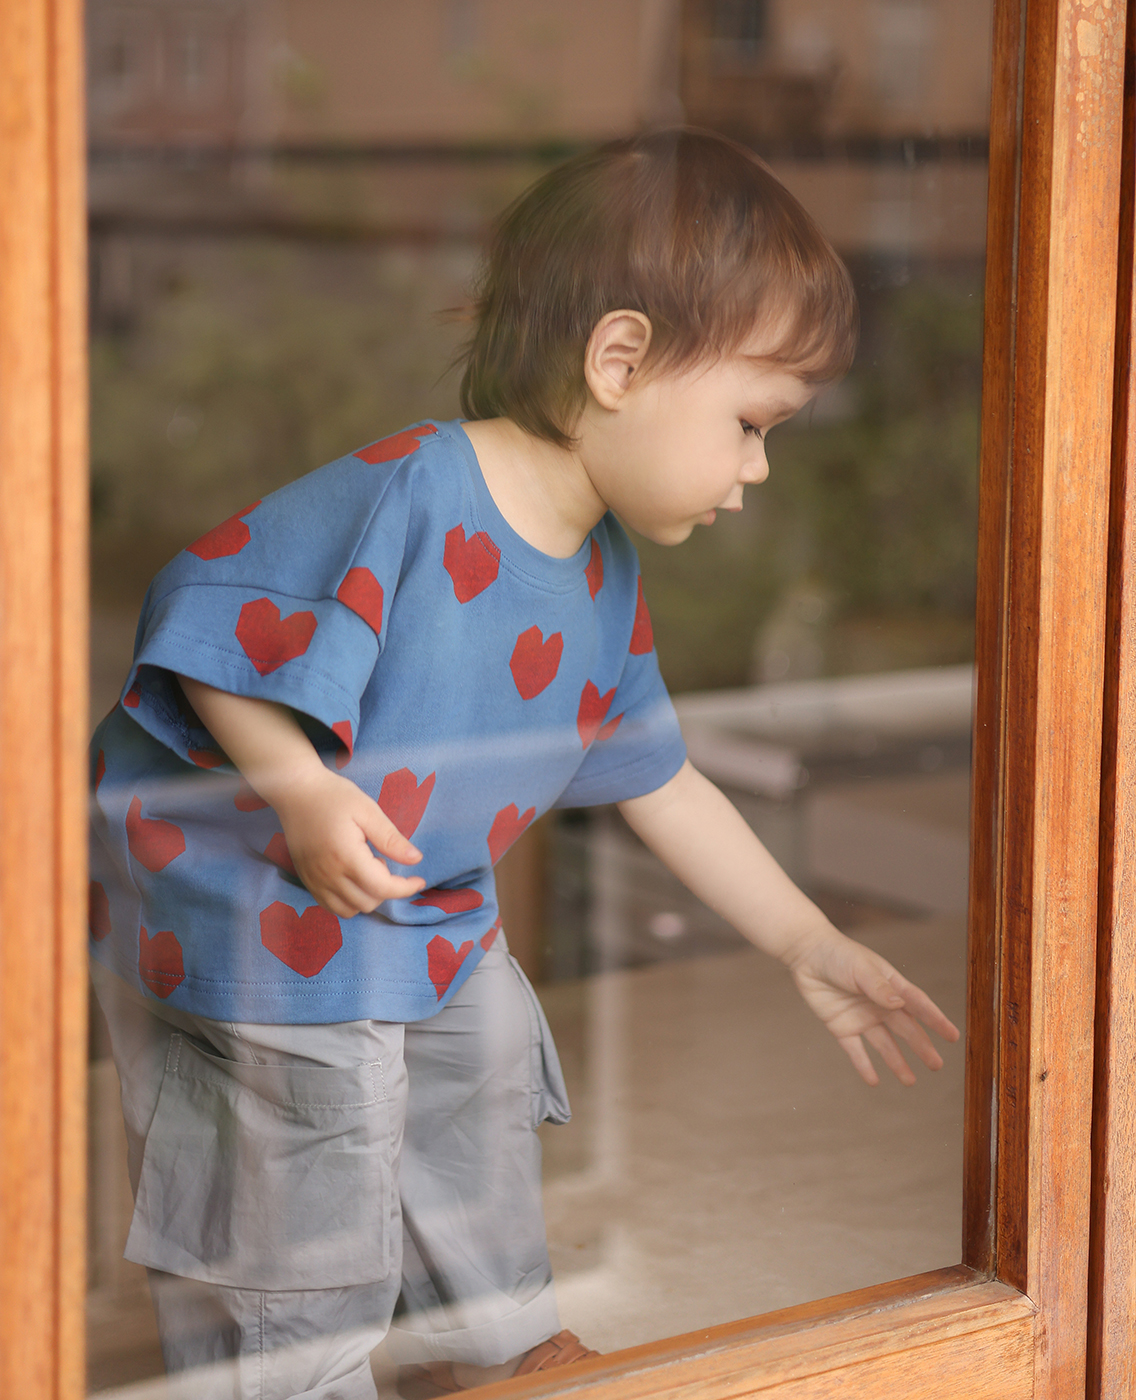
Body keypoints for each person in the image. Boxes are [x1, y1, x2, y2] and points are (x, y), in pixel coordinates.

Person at [88, 129, 960, 1400]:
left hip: (422, 905)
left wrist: (802, 939)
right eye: (749, 423)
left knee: (477, 1069)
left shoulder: (603, 571)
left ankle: (480, 1345)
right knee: (303, 1169)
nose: (756, 469)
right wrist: (299, 786)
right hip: (270, 913)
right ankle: (294, 1371)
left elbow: (659, 774)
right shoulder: (406, 491)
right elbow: (208, 627)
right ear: (619, 360)